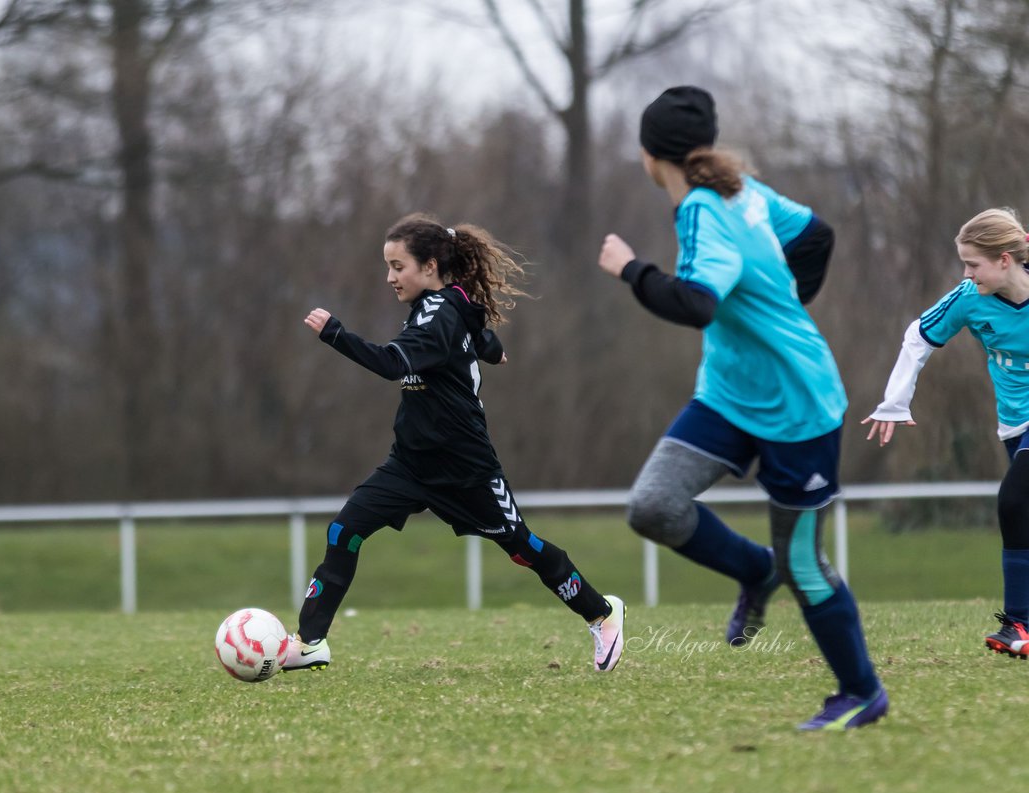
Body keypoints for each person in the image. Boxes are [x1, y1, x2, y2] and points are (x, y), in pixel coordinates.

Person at [595, 86, 886, 730]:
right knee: (653, 506)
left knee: (805, 564)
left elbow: (695, 302)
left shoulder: (708, 205)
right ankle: (755, 570)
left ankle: (861, 691)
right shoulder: (742, 192)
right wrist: (781, 304)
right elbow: (818, 235)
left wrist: (630, 270)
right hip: (728, 396)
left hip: (798, 403)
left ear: (649, 156)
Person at [284, 213, 626, 674]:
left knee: (523, 547)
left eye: (397, 266)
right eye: (387, 266)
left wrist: (336, 334)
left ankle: (602, 613)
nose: (389, 277)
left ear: (429, 266)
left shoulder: (439, 311)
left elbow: (392, 363)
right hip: (409, 465)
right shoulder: (445, 306)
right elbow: (470, 328)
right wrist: (488, 346)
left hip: (466, 469)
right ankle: (310, 642)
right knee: (344, 531)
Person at [864, 207, 1029, 658]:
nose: (966, 272)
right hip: (1016, 424)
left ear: (1004, 259)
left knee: (1014, 501)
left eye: (973, 264)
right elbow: (918, 337)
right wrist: (894, 403)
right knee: (1022, 510)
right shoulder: (968, 299)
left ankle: (1019, 623)